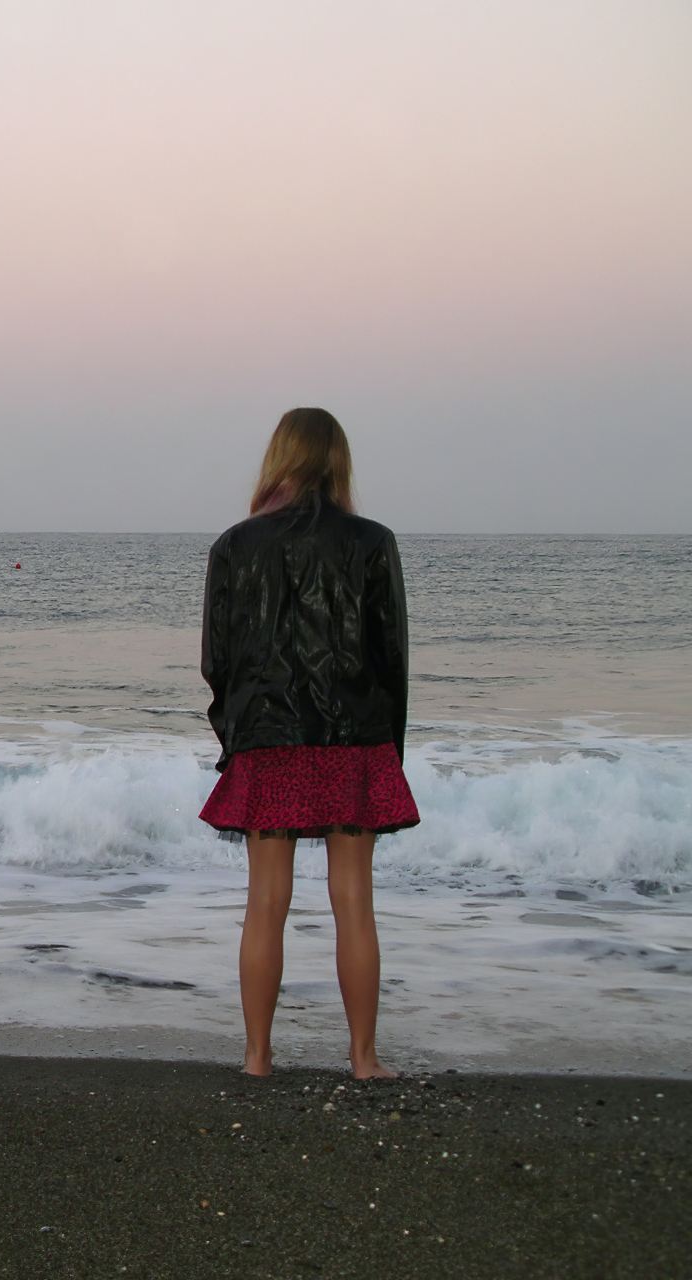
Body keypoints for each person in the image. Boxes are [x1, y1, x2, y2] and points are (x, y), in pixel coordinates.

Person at [198, 408, 419, 1080]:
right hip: (354, 739)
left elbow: (218, 660)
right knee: (353, 899)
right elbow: (392, 655)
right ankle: (363, 1058)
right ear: (338, 463)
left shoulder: (235, 546)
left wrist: (235, 740)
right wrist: (390, 752)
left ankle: (257, 1057)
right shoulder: (373, 541)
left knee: (266, 901)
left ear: (278, 460)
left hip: (268, 740)